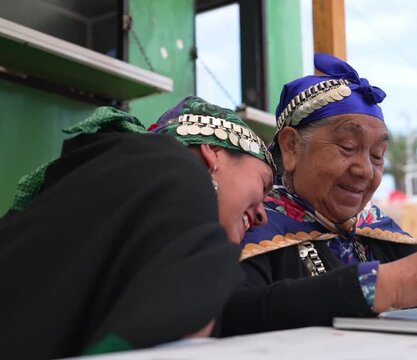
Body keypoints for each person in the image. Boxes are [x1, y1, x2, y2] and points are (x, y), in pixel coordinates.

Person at [217, 53, 417, 336]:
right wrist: (382, 285)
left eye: (377, 156)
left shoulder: (380, 232)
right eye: (348, 147)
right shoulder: (253, 225)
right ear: (290, 148)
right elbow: (227, 315)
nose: (365, 170)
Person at [0, 96, 275, 358]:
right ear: (212, 153)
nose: (264, 214)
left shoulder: (110, 183)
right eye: (263, 184)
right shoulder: (178, 172)